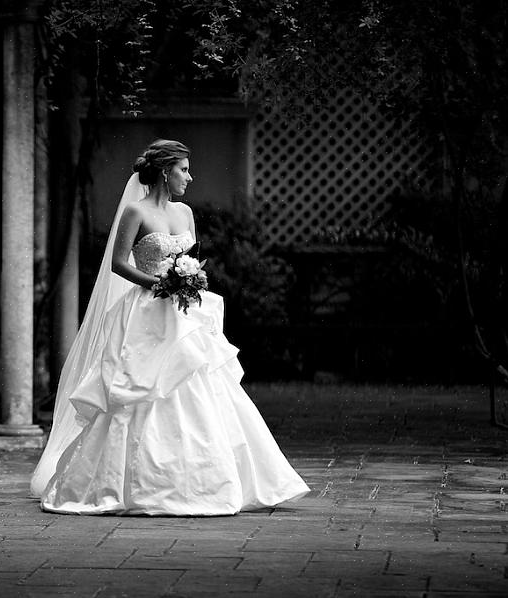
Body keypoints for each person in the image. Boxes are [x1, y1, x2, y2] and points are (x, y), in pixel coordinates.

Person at [30, 139, 309, 515]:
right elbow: (117, 263)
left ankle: (208, 481)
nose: (189, 178)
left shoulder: (185, 213)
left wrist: (191, 277)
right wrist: (158, 283)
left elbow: (191, 255)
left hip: (185, 314)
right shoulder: (135, 211)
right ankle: (136, 485)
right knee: (141, 389)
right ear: (165, 172)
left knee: (198, 383)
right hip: (148, 311)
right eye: (184, 170)